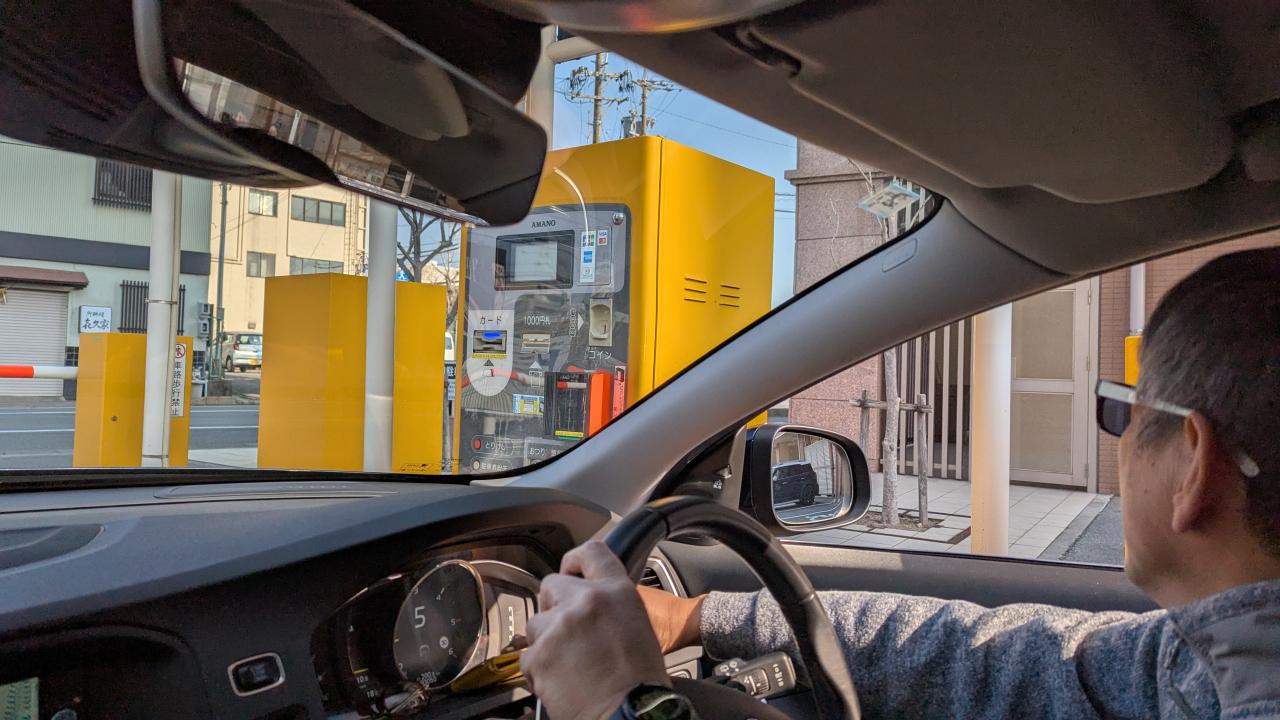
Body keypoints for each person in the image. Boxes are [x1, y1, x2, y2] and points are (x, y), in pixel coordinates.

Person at [522, 247, 1280, 720]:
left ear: (1192, 462)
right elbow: (992, 657)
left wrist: (620, 703)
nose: (1118, 445)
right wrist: (700, 616)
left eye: (1122, 413)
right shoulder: (1197, 665)